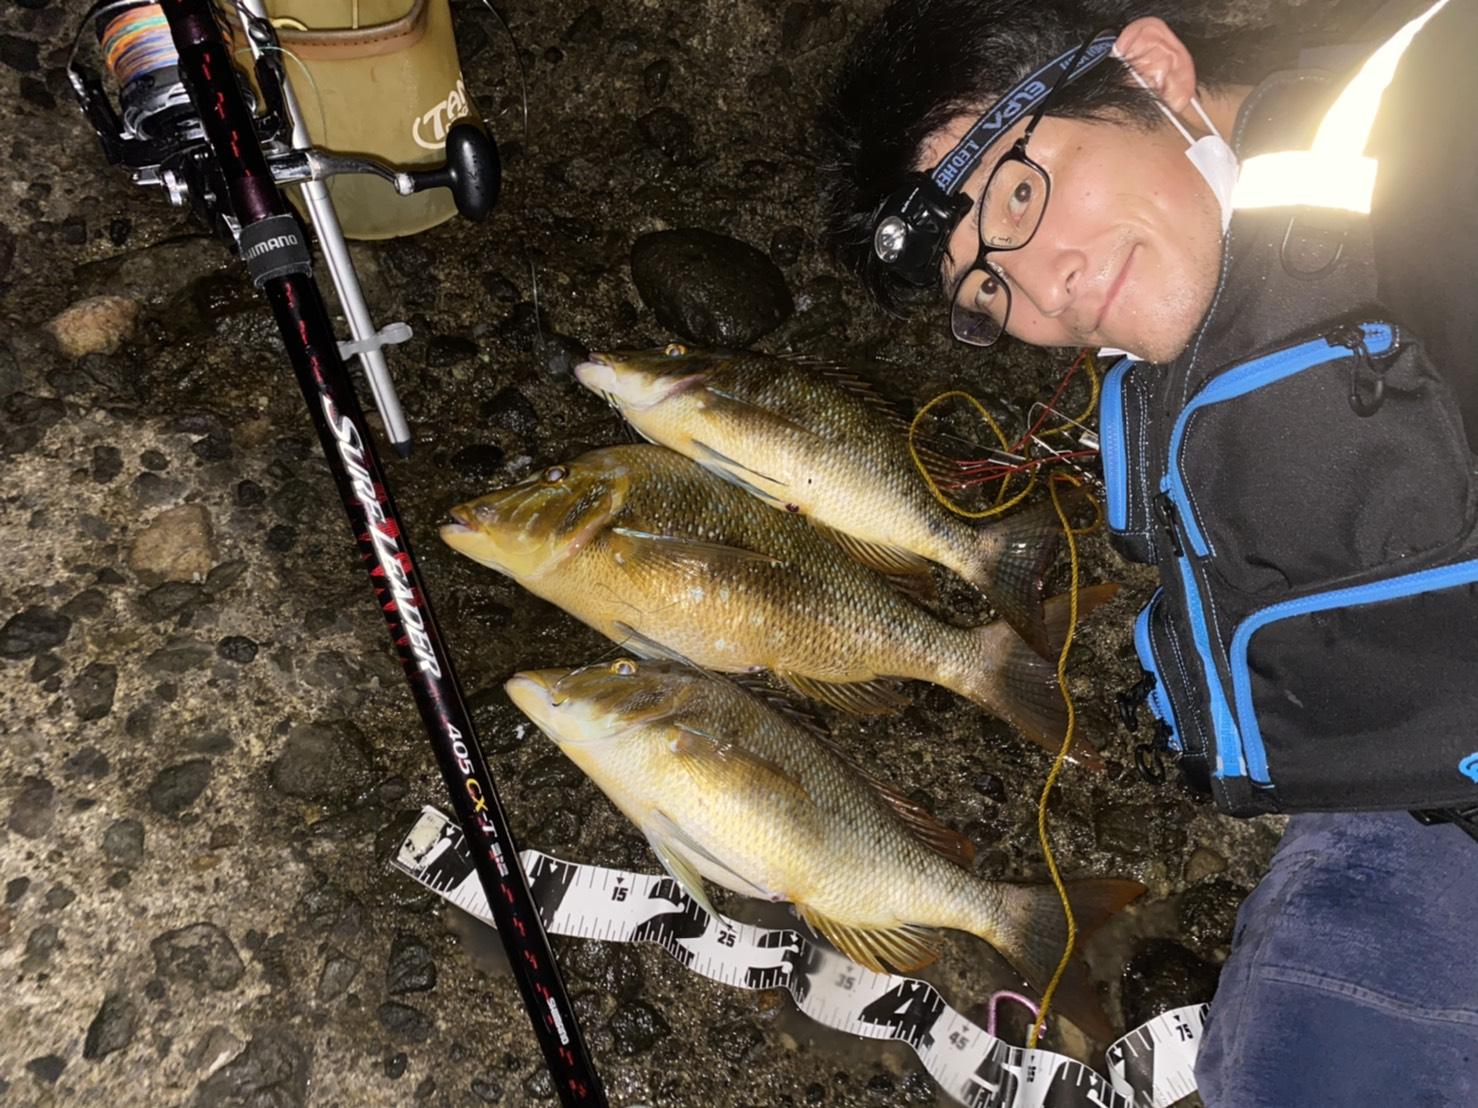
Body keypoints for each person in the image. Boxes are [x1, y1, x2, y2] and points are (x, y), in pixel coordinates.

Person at [819, 1, 1478, 1104]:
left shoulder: (1434, 134)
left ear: (1149, 69)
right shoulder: (1228, 276)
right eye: (985, 289)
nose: (1043, 292)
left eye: (1020, 196)